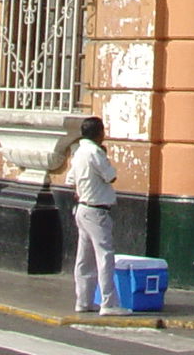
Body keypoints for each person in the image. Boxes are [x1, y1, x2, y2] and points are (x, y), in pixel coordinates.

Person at [65, 116, 118, 314]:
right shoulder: (96, 152)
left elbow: (70, 180)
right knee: (104, 256)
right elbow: (111, 176)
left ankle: (83, 301)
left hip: (82, 208)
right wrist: (105, 156)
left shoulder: (78, 152)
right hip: (97, 210)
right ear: (99, 133)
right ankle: (108, 303)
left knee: (84, 258)